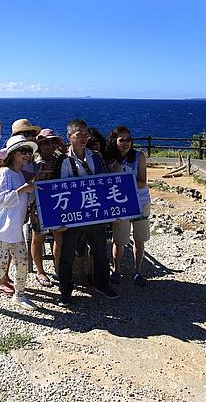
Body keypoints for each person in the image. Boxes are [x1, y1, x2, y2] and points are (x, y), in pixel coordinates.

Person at [0, 135, 40, 316]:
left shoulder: (19, 174)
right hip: (0, 230)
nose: (27, 155)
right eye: (23, 151)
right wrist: (23, 189)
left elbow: (23, 199)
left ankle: (19, 295)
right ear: (12, 153)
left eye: (29, 151)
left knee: (22, 263)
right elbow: (1, 199)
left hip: (14, 229)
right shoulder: (3, 173)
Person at [56, 119, 118, 307]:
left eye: (86, 135)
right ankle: (65, 291)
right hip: (73, 217)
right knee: (67, 256)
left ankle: (102, 284)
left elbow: (104, 182)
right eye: (79, 135)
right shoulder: (64, 160)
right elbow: (60, 189)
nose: (84, 138)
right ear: (70, 137)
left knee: (101, 252)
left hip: (95, 214)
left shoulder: (96, 157)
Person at [105, 126, 151, 287]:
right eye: (121, 139)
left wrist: (121, 177)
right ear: (114, 141)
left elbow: (142, 182)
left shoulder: (139, 157)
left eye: (128, 139)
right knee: (119, 240)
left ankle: (137, 272)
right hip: (121, 205)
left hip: (140, 202)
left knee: (139, 239)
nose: (126, 143)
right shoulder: (109, 160)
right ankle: (116, 270)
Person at [30, 129, 65, 286]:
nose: (49, 145)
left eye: (52, 142)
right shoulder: (34, 164)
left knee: (59, 237)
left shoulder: (61, 160)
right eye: (45, 142)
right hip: (39, 206)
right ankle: (40, 271)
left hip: (59, 203)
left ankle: (58, 269)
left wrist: (61, 146)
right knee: (38, 238)